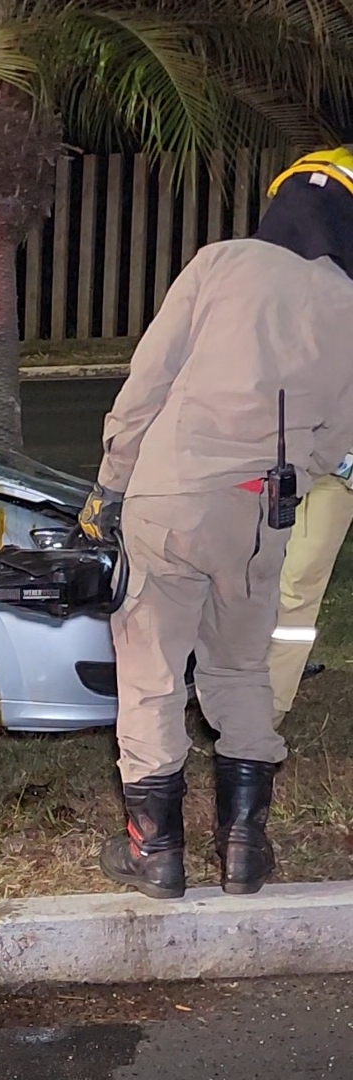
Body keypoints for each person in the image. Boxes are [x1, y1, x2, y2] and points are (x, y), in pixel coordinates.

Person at [79, 147, 353, 901]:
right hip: (263, 513)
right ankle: (243, 851)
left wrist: (110, 484)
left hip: (171, 497)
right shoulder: (348, 300)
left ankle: (156, 852)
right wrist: (296, 466)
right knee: (238, 671)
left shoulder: (219, 264)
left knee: (153, 674)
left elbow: (147, 383)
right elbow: (338, 438)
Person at [268, 452, 353, 727]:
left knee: (295, 590)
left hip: (336, 470)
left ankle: (265, 714)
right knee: (237, 579)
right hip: (266, 456)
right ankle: (222, 694)